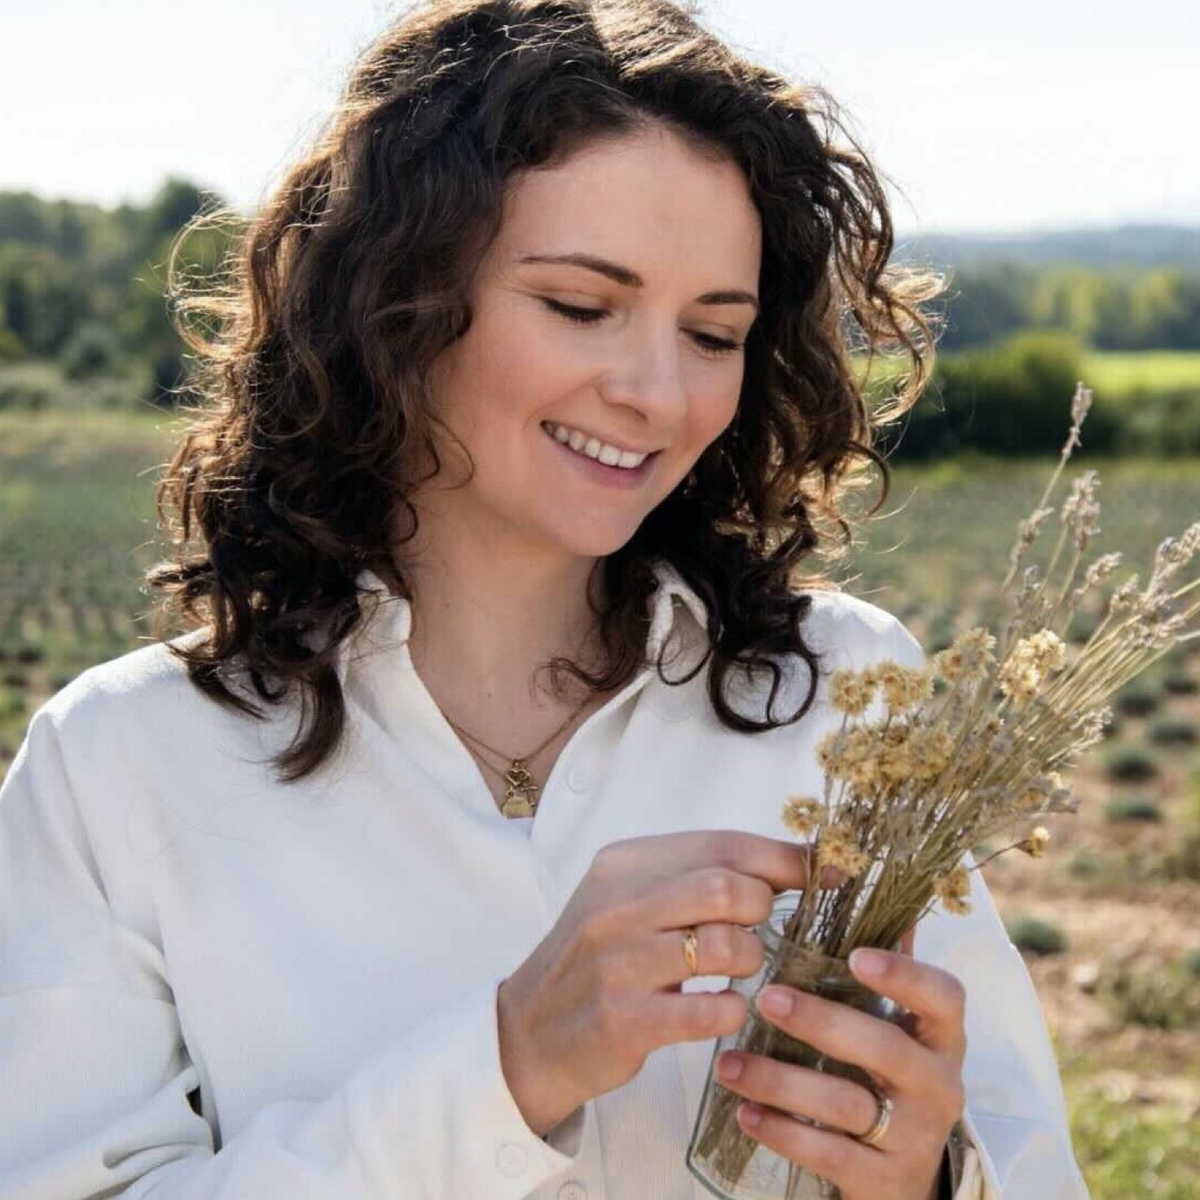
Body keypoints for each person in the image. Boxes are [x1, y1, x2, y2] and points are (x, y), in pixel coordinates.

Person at [0, 1, 1090, 1197]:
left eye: (714, 333)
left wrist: (929, 1181)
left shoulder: (849, 700)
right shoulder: (116, 767)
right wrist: (504, 1068)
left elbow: (1028, 1167)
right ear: (395, 306)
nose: (657, 393)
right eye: (580, 307)